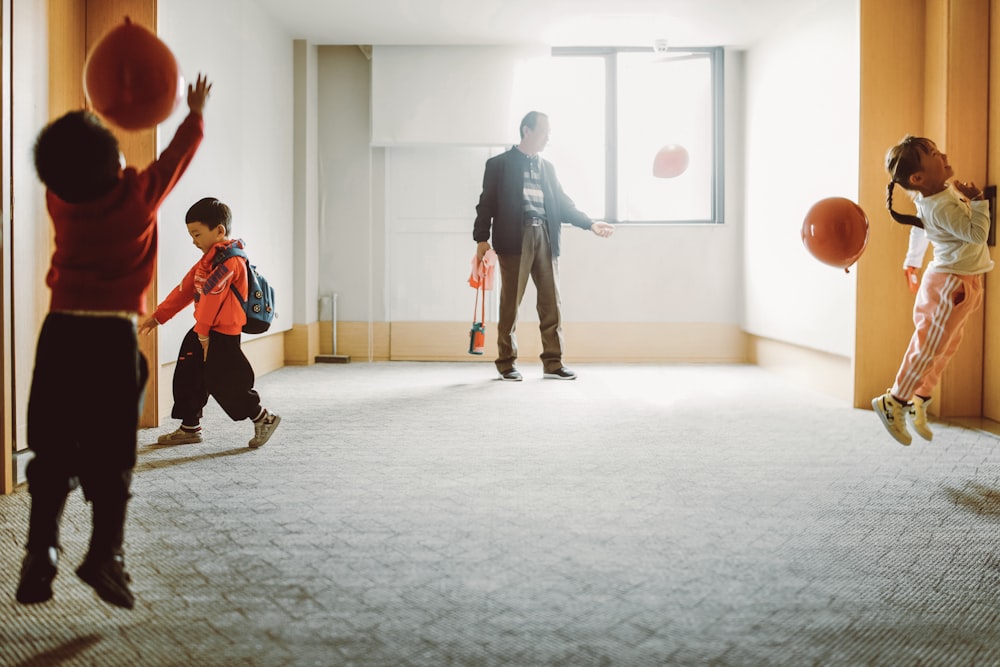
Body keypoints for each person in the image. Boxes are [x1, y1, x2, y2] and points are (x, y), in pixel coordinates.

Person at [15, 75, 212, 609]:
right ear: (114, 165)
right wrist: (193, 112)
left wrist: (85, 125)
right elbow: (176, 157)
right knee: (113, 451)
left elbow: (73, 162)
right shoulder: (137, 196)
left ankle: (41, 551)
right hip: (111, 337)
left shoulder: (60, 200)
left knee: (51, 447)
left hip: (60, 333)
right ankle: (106, 553)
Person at [472, 111, 614, 381]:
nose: (548, 137)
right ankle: (506, 362)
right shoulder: (498, 164)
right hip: (515, 238)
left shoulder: (548, 168)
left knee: (551, 303)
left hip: (546, 237)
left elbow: (562, 203)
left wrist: (590, 224)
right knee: (510, 303)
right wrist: (481, 238)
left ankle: (553, 362)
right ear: (527, 131)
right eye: (544, 131)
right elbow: (486, 202)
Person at [872, 135, 993, 446]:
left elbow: (919, 229)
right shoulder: (938, 205)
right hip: (950, 285)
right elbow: (976, 235)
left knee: (945, 347)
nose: (945, 155)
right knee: (928, 347)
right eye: (936, 154)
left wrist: (911, 261)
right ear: (918, 178)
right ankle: (895, 400)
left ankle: (919, 400)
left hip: (963, 282)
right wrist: (979, 200)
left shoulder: (935, 197)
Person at [138, 197, 281, 450]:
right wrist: (158, 316)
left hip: (222, 333)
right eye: (191, 235)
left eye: (197, 234)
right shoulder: (208, 260)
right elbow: (184, 289)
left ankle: (263, 418)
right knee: (188, 372)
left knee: (225, 381)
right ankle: (190, 427)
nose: (194, 241)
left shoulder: (230, 262)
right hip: (204, 329)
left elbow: (211, 300)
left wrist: (203, 335)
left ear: (219, 231)